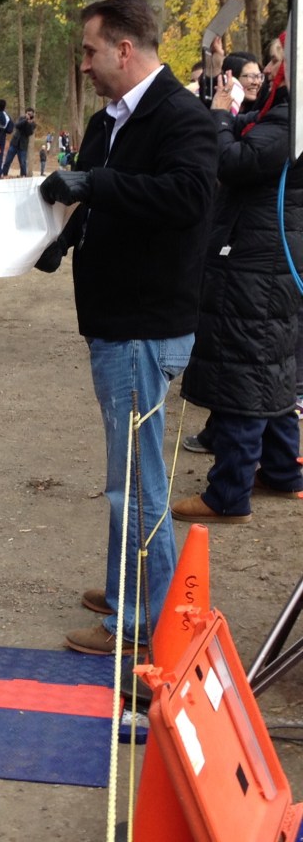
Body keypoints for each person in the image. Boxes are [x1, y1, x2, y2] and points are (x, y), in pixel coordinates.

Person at [35, 0, 218, 655]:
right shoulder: (107, 120)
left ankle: (144, 621)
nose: (82, 63)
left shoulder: (182, 117)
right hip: (115, 320)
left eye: (88, 51)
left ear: (123, 49)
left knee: (136, 484)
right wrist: (58, 241)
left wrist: (97, 185)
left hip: (146, 323)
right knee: (127, 476)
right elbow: (94, 192)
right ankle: (126, 589)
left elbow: (189, 196)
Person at [171, 33, 303, 525]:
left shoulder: (292, 119)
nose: (266, 70)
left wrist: (222, 116)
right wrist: (223, 102)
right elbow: (247, 129)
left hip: (256, 259)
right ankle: (281, 471)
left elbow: (234, 159)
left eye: (273, 61)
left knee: (243, 370)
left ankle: (228, 494)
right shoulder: (286, 115)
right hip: (268, 255)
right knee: (271, 367)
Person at [2, 107, 36, 177]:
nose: (29, 115)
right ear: (26, 113)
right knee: (8, 160)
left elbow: (29, 133)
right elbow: (17, 126)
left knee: (23, 163)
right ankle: (4, 174)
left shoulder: (33, 123)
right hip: (14, 143)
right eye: (28, 113)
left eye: (31, 114)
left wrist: (29, 123)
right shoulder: (21, 118)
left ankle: (23, 176)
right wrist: (25, 120)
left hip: (23, 146)